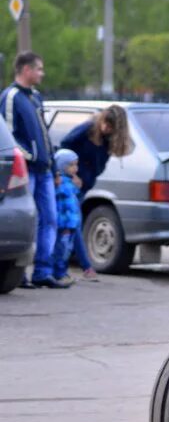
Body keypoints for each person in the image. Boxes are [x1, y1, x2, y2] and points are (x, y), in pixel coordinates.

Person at [0, 51, 68, 288]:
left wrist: (53, 165)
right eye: (39, 69)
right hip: (25, 170)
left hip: (45, 170)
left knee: (50, 219)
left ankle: (43, 270)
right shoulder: (11, 97)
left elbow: (44, 134)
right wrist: (29, 156)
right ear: (26, 70)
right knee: (29, 219)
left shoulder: (36, 97)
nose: (42, 73)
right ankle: (22, 273)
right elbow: (9, 135)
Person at [60, 105, 134, 280]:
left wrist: (88, 178)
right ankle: (83, 267)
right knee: (73, 225)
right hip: (71, 184)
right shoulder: (86, 129)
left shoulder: (109, 140)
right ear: (102, 119)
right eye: (106, 123)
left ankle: (72, 266)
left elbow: (99, 164)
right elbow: (64, 146)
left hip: (84, 185)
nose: (106, 128)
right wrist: (72, 174)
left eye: (111, 126)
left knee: (72, 225)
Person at [51, 149, 83, 287]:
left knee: (66, 250)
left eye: (76, 165)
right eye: (71, 165)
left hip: (70, 223)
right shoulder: (60, 182)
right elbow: (63, 200)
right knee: (61, 249)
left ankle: (62, 272)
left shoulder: (69, 181)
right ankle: (57, 273)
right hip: (63, 223)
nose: (75, 168)